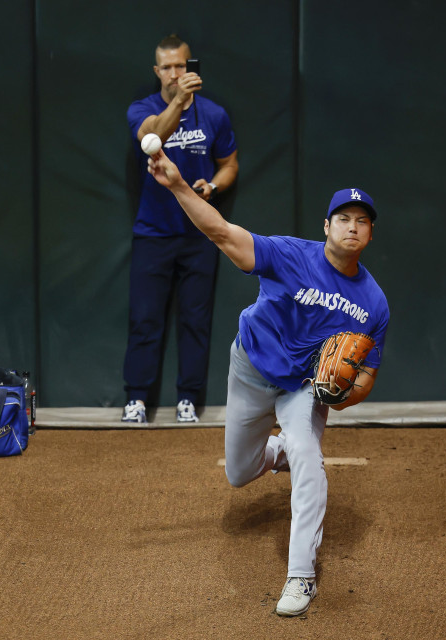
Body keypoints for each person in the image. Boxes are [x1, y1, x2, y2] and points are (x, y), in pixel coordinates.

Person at [145, 149, 389, 616]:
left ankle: (302, 576)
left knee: (308, 453)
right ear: (326, 226)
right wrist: (177, 184)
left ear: (371, 232)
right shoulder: (287, 255)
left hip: (302, 387)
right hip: (251, 368)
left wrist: (340, 396)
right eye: (343, 218)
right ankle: (276, 454)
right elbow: (219, 231)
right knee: (239, 473)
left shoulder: (375, 304)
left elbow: (366, 377)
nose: (352, 226)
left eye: (362, 220)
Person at [122, 34, 239, 424]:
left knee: (195, 319)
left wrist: (214, 185)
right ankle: (137, 399)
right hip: (153, 231)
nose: (175, 73)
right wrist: (177, 101)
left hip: (199, 233)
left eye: (181, 66)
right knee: (145, 318)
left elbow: (229, 163)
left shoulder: (215, 115)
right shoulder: (142, 108)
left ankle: (188, 398)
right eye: (167, 67)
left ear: (192, 67)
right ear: (157, 71)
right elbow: (152, 139)